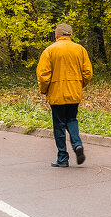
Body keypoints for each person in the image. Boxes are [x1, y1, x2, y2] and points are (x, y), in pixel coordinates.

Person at [37, 23, 93, 167]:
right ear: (70, 35)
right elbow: (88, 73)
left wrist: (44, 90)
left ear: (57, 35)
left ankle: (62, 158)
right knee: (72, 119)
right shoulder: (80, 50)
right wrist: (78, 85)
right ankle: (77, 145)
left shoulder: (49, 50)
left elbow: (43, 76)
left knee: (59, 125)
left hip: (56, 94)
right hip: (74, 93)